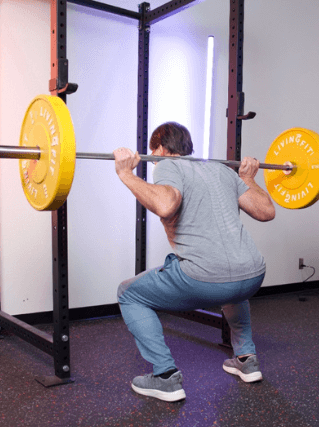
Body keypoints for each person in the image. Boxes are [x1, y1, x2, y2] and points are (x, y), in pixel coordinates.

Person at [113, 122, 275, 402]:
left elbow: (166, 205)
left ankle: (165, 377)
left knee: (128, 293)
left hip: (204, 279)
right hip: (252, 275)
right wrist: (247, 178)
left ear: (161, 149)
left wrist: (125, 173)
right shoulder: (221, 169)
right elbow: (266, 210)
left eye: (154, 153)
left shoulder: (166, 164)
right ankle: (246, 360)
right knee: (231, 278)